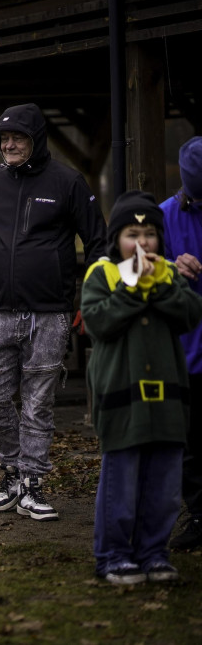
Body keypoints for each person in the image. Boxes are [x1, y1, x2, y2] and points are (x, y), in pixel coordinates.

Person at [0, 102, 106, 521]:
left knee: (38, 402)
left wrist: (90, 299)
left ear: (36, 139)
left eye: (17, 137)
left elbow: (98, 243)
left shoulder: (68, 182)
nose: (9, 144)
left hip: (50, 314)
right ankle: (13, 468)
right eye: (3, 138)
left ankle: (32, 483)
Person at [81, 190, 202, 584]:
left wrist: (160, 284)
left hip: (168, 396)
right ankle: (114, 555)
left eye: (149, 233)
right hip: (121, 398)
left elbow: (189, 315)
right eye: (132, 233)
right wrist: (134, 288)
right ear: (117, 238)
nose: (142, 242)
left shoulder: (168, 274)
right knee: (123, 481)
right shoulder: (103, 273)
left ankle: (153, 552)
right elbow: (98, 322)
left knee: (165, 485)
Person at [161, 136, 202, 551]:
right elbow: (135, 270)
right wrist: (171, 267)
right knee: (190, 442)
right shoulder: (163, 217)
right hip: (185, 350)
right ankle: (200, 514)